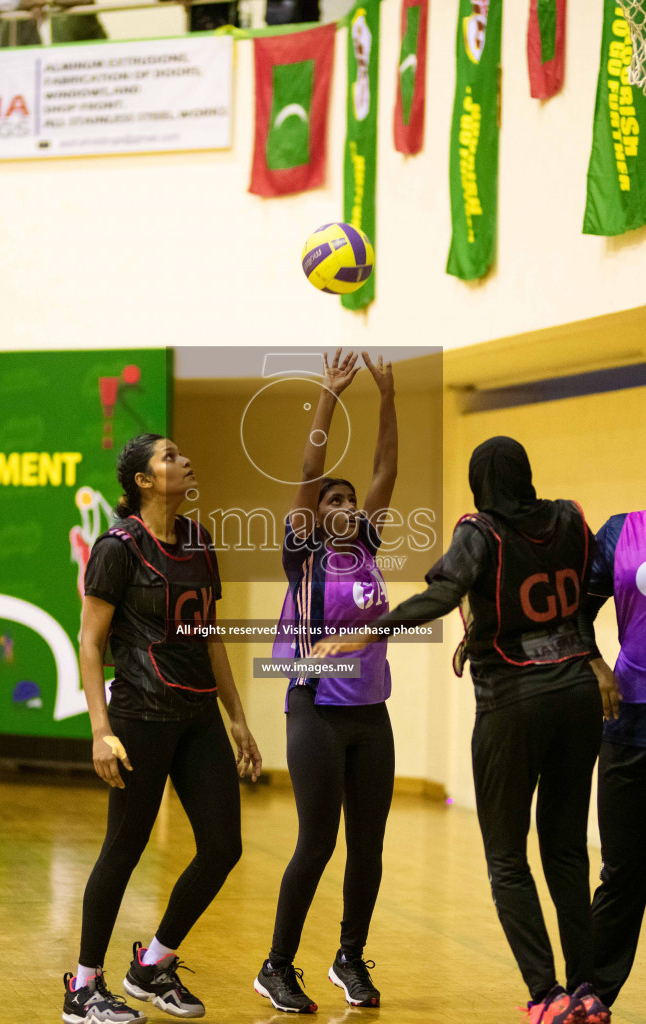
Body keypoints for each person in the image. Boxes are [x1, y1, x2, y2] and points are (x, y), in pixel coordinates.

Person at [314, 436, 619, 1024]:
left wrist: (369, 631)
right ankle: (587, 994)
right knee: (565, 852)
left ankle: (546, 995)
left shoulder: (479, 531)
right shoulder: (570, 518)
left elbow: (443, 593)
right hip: (578, 695)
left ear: (482, 482)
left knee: (506, 858)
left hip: (513, 702)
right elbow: (572, 603)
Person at [62, 433, 261, 1024]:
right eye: (169, 457)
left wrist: (237, 717)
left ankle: (151, 966)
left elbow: (211, 635)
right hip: (139, 719)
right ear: (143, 482)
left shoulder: (199, 539)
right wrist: (101, 730)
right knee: (123, 849)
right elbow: (90, 641)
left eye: (181, 453)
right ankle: (84, 987)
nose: (184, 460)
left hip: (198, 717)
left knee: (224, 847)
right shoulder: (118, 547)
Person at [254, 349, 397, 1014]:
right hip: (313, 705)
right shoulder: (302, 551)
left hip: (371, 711)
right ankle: (276, 966)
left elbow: (384, 468)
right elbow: (310, 471)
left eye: (348, 499)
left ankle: (349, 959)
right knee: (317, 841)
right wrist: (330, 393)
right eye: (331, 500)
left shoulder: (365, 546)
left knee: (367, 847)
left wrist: (387, 395)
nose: (342, 504)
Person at [578, 510, 646, 1009]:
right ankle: (591, 999)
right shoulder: (622, 531)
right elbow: (573, 608)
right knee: (622, 871)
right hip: (628, 720)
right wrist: (596, 661)